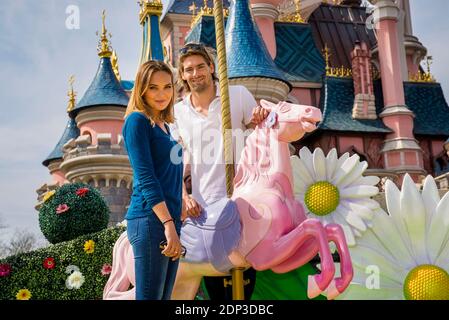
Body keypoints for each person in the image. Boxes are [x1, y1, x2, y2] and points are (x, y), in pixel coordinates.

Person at [172, 42, 269, 300]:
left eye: (200, 66)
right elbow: (174, 162)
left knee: (244, 277)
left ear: (211, 67)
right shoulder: (178, 112)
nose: (195, 74)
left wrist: (260, 116)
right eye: (188, 69)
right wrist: (184, 196)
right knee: (216, 284)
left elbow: (260, 129)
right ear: (182, 74)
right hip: (204, 209)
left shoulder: (236, 95)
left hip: (240, 201)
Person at [122, 60, 183, 300]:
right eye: (153, 87)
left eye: (167, 87)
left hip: (170, 220)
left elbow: (171, 179)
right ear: (142, 89)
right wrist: (168, 224)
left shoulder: (166, 128)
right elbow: (146, 178)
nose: (162, 94)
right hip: (150, 220)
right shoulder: (137, 121)